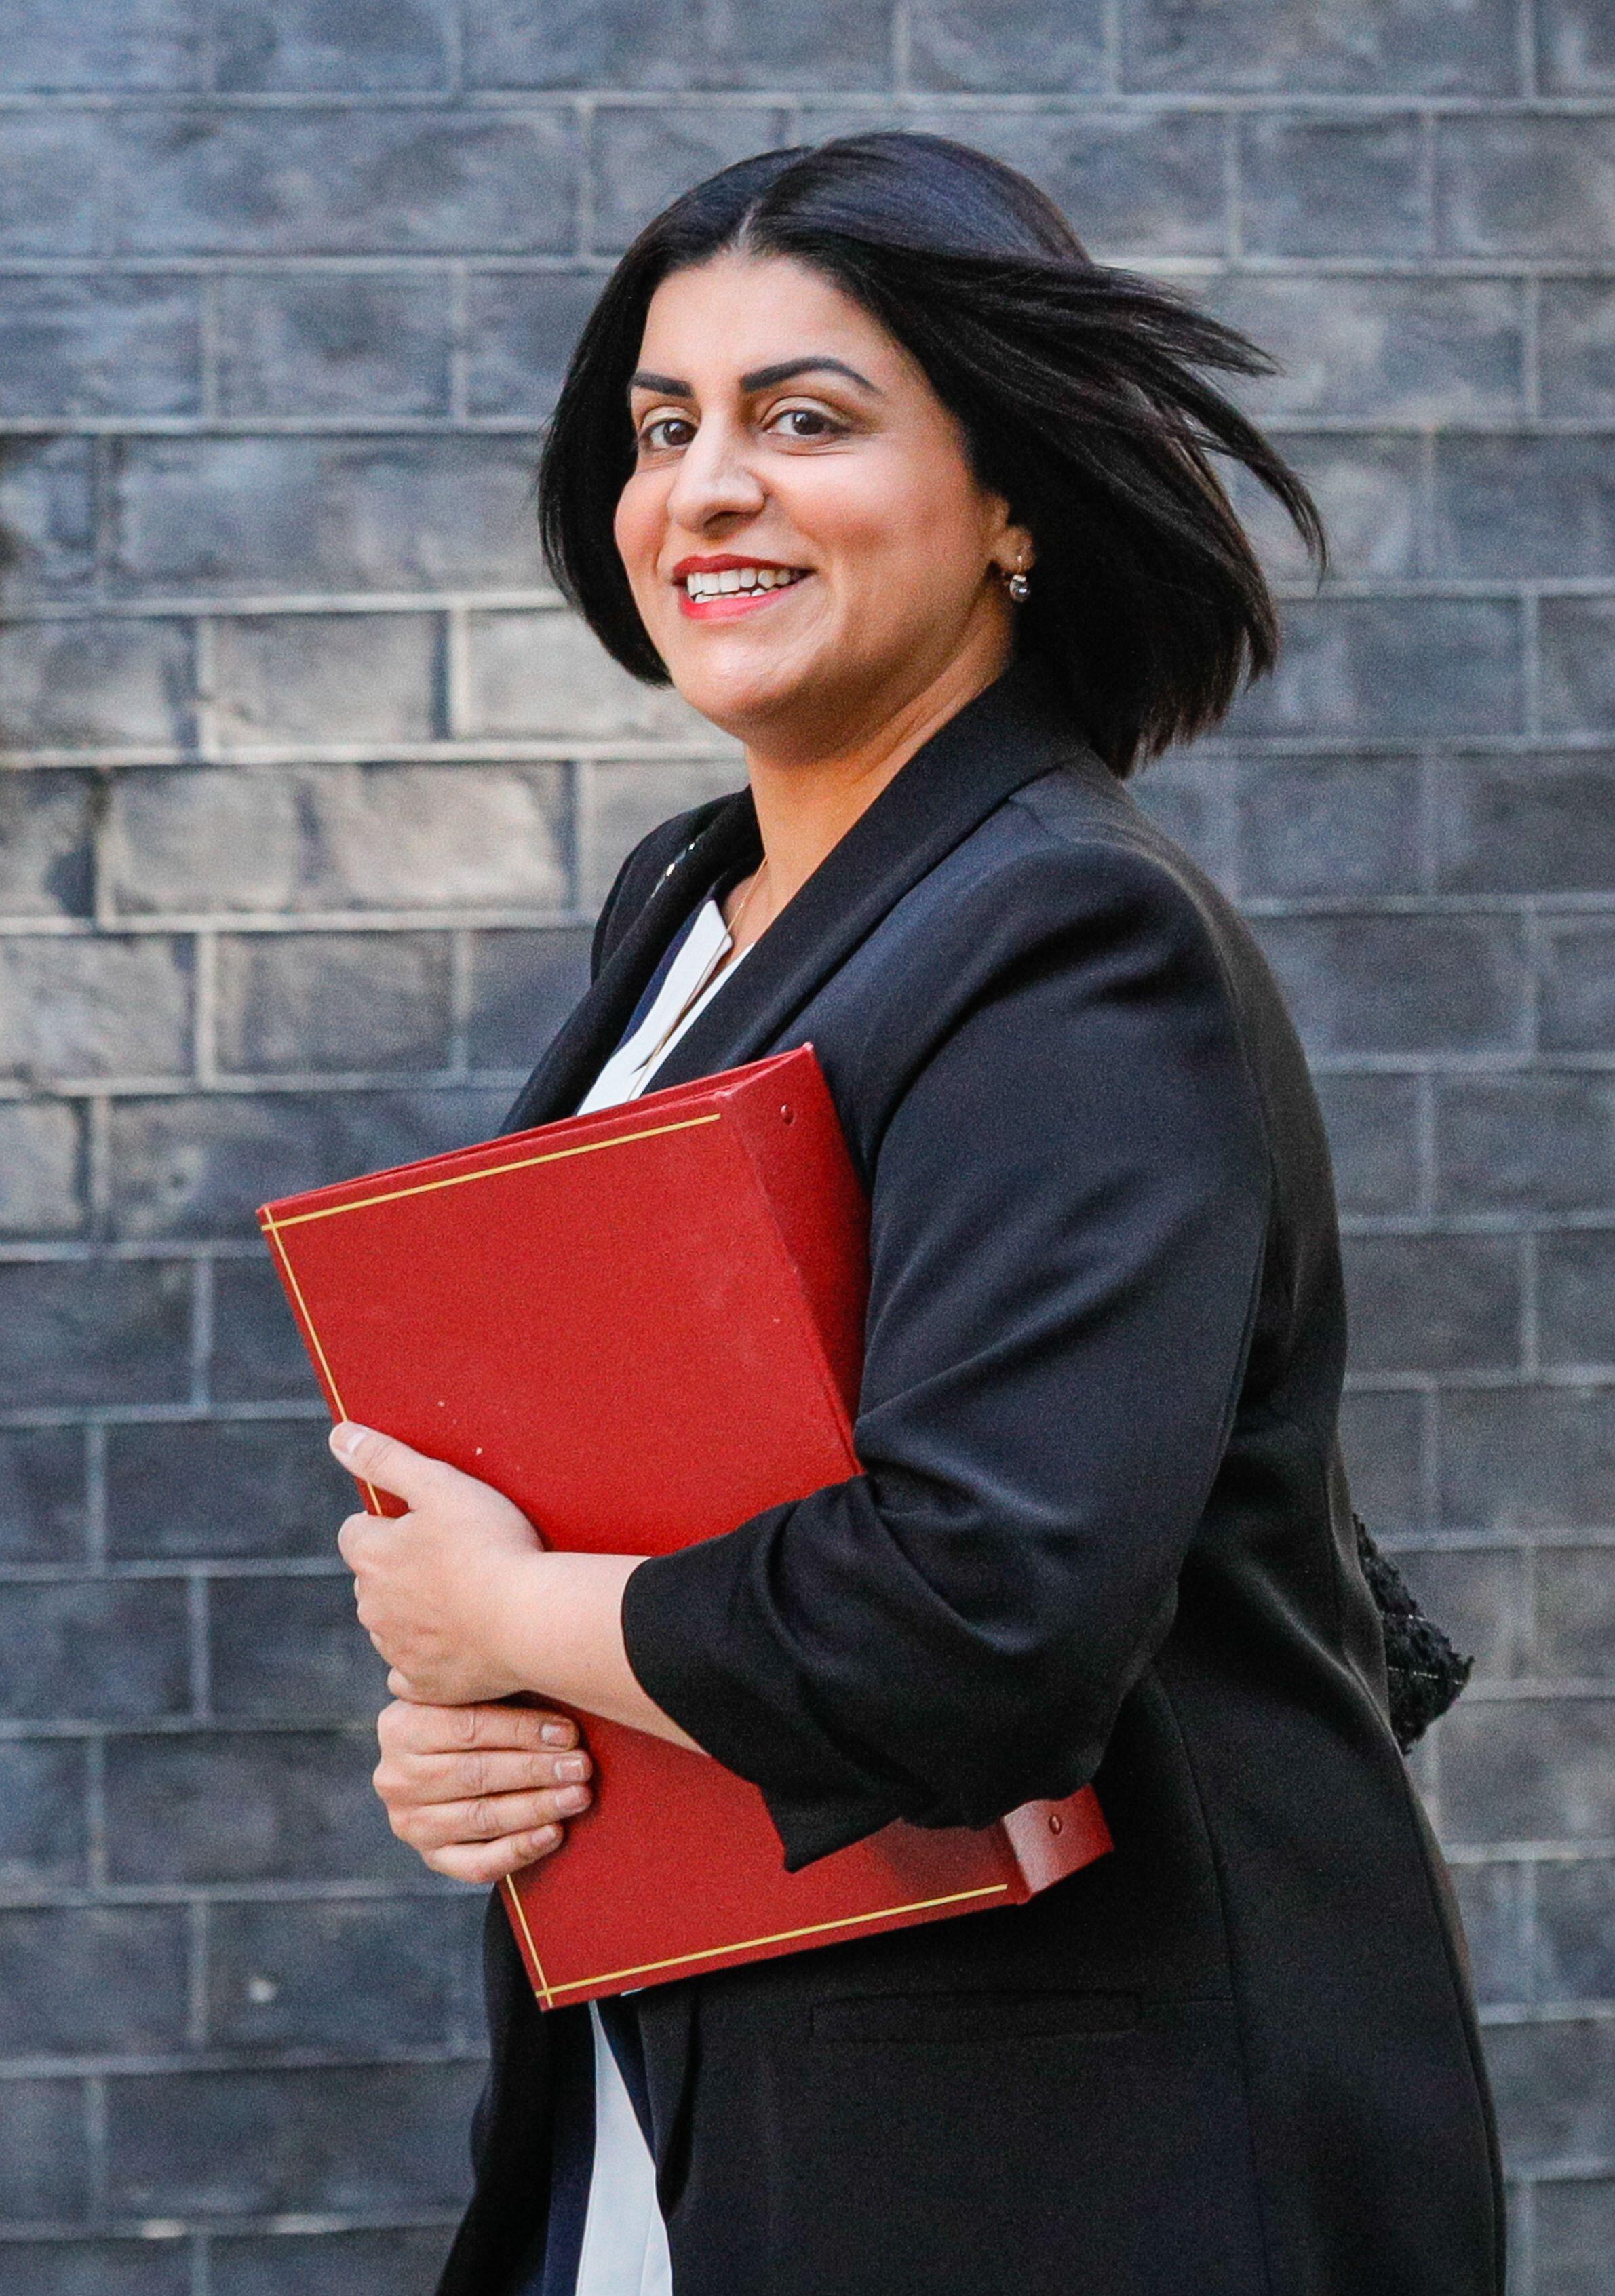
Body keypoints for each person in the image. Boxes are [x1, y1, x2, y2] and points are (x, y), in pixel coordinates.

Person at [330, 131, 1504, 2296]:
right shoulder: (690, 905)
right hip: (708, 2092)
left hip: (1059, 2146)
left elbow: (979, 1621)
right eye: (661, 425)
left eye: (806, 418)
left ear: (1017, 498)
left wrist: (508, 1621)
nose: (704, 485)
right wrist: (494, 1734)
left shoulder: (1066, 934)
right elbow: (668, 1484)